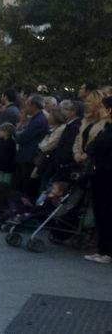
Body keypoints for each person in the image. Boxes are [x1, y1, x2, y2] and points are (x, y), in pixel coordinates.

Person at [83, 95, 112, 264]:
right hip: (100, 174)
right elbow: (92, 146)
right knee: (101, 211)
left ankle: (107, 250)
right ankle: (103, 249)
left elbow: (98, 148)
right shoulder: (106, 127)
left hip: (106, 175)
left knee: (106, 211)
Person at [15, 95, 49, 199]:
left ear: (34, 105)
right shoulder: (35, 119)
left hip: (30, 157)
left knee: (28, 186)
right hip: (27, 155)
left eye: (27, 104)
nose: (25, 107)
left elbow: (24, 137)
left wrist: (16, 133)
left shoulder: (38, 120)